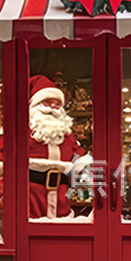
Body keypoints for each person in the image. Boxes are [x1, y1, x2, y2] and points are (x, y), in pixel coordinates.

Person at [26, 75, 92, 219]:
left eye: (57, 104)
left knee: (61, 222)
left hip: (61, 191)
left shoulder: (66, 134)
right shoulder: (25, 131)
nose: (53, 107)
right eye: (48, 103)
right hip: (32, 192)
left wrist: (84, 168)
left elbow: (77, 154)